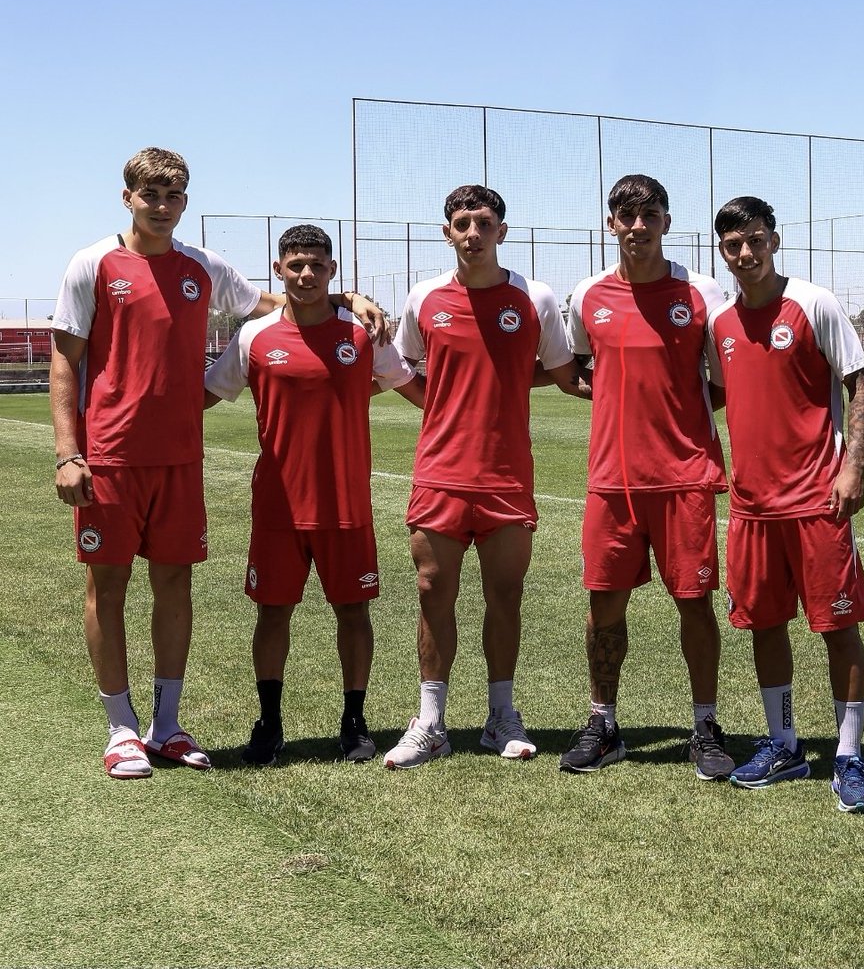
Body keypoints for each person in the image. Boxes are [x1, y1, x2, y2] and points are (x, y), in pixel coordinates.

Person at [50, 148, 384, 780]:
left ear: (185, 201)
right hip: (110, 456)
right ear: (128, 197)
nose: (163, 205)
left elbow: (282, 302)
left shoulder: (203, 268)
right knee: (109, 586)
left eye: (174, 195)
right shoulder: (91, 264)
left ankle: (167, 725)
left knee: (175, 585)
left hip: (180, 457)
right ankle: (121, 729)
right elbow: (65, 359)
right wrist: (69, 452)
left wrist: (347, 297)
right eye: (151, 194)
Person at [204, 224, 424, 766]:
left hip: (346, 505)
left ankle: (354, 722)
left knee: (353, 613)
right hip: (277, 507)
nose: (306, 274)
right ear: (279, 270)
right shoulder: (254, 337)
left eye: (317, 266)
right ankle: (269, 723)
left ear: (332, 271)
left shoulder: (363, 334)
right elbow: (205, 396)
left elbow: (414, 389)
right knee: (273, 613)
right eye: (295, 265)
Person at [382, 184, 585, 769]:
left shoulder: (535, 298)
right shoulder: (424, 298)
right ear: (447, 231)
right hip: (440, 473)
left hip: (505, 475)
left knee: (506, 595)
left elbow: (559, 372)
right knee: (432, 593)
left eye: (484, 222)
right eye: (462, 223)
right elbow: (403, 369)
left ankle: (501, 718)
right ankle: (431, 722)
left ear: (502, 230)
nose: (473, 232)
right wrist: (444, 402)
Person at [560, 173, 733, 779]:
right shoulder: (588, 294)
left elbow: (722, 380)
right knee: (603, 607)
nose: (637, 226)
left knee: (694, 604)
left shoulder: (703, 292)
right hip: (612, 480)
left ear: (666, 221)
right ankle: (603, 721)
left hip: (685, 477)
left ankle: (705, 724)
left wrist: (675, 417)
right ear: (611, 223)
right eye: (626, 215)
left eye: (649, 214)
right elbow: (581, 370)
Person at [709, 196, 864, 813]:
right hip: (752, 507)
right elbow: (716, 397)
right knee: (764, 624)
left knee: (838, 627)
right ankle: (784, 744)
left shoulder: (813, 303)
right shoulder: (720, 325)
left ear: (774, 241)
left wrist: (851, 467)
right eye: (733, 245)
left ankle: (849, 755)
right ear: (722, 251)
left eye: (755, 240)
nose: (746, 254)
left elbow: (859, 383)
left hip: (817, 500)